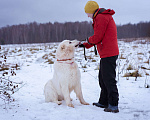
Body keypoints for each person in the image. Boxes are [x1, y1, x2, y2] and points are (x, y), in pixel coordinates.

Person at [79, 1, 119, 113]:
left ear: (92, 11)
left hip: (109, 53)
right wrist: (85, 44)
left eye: (87, 13)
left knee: (109, 79)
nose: (87, 15)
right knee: (102, 78)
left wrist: (88, 40)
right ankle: (103, 101)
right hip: (106, 53)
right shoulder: (100, 17)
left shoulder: (101, 18)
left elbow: (97, 37)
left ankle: (113, 104)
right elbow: (98, 38)